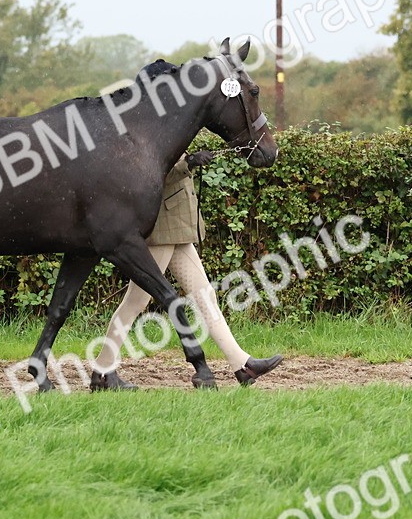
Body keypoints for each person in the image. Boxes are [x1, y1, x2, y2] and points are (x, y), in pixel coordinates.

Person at [90, 150, 283, 390]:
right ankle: (102, 370)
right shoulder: (150, 127)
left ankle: (243, 365)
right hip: (163, 229)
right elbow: (153, 173)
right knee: (136, 301)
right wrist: (187, 163)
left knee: (205, 297)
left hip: (177, 227)